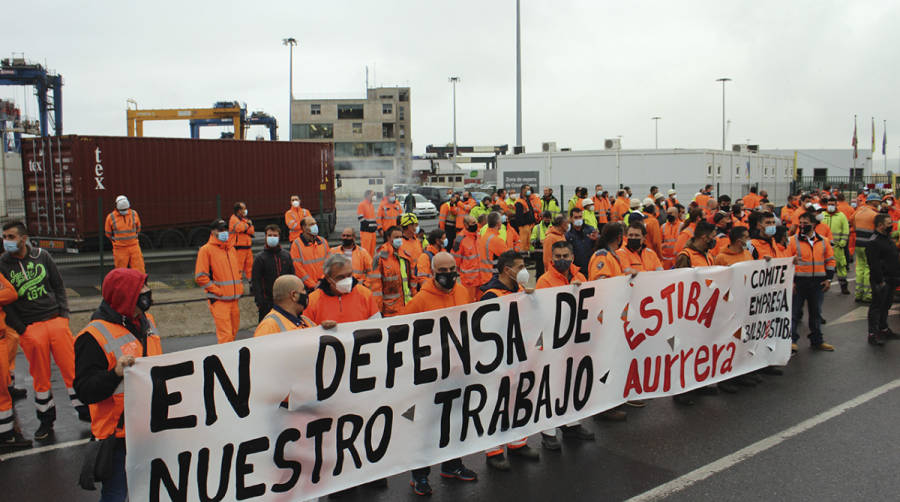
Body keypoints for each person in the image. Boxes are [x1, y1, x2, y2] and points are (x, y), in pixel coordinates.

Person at [73, 268, 159, 501]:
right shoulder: (92, 336)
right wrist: (114, 374)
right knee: (116, 495)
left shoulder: (146, 321)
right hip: (117, 435)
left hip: (147, 428)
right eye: (141, 288)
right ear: (126, 295)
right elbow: (85, 389)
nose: (147, 292)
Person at [1, 221, 88, 438]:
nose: (6, 241)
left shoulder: (42, 256)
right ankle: (46, 421)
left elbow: (58, 286)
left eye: (11, 236)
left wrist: (63, 316)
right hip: (30, 328)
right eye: (5, 236)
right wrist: (21, 329)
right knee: (40, 379)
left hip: (56, 322)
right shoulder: (2, 263)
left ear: (23, 238)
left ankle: (87, 411)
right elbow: (6, 304)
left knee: (72, 370)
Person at [403, 251, 478, 495]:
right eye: (442, 271)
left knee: (455, 421)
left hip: (457, 372)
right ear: (433, 273)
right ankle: (420, 475)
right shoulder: (419, 302)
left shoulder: (463, 291)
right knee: (427, 426)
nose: (448, 275)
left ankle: (452, 465)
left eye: (451, 270)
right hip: (431, 376)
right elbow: (402, 335)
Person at [479, 250, 541, 469]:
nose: (524, 271)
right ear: (507, 270)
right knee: (497, 402)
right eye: (520, 267)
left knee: (519, 399)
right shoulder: (491, 295)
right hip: (500, 358)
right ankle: (494, 450)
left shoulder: (522, 290)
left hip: (520, 355)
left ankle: (517, 443)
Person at [535, 241, 595, 449]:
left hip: (575, 340)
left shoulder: (580, 278)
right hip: (555, 340)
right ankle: (548, 431)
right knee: (552, 386)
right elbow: (543, 312)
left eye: (565, 255)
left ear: (572, 256)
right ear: (552, 258)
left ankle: (572, 425)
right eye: (558, 256)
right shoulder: (544, 281)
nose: (562, 260)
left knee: (574, 382)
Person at [786, 211, 836, 352]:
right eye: (800, 223)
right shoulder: (792, 241)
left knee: (816, 313)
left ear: (814, 224)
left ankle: (817, 340)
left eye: (805, 223)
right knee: (794, 313)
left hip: (817, 283)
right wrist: (791, 281)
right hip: (799, 283)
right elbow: (787, 262)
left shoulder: (823, 241)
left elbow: (830, 260)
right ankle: (791, 340)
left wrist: (828, 279)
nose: (802, 226)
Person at [195, 219, 243, 344]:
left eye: (225, 229)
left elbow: (237, 271)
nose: (224, 232)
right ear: (213, 231)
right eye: (220, 230)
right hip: (219, 301)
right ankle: (226, 360)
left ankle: (229, 358)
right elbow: (200, 276)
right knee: (226, 336)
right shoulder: (206, 250)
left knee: (233, 333)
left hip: (233, 299)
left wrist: (239, 287)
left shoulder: (231, 249)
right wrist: (218, 291)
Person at [305, 253, 380, 324]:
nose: (346, 280)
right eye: (340, 277)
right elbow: (305, 330)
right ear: (328, 278)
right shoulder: (312, 301)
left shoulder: (365, 294)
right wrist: (321, 328)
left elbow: (377, 325)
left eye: (349, 275)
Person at [0, 272, 30, 450]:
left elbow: (11, 293)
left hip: (4, 335)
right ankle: (6, 436)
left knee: (4, 383)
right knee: (2, 394)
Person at [254, 275, 334, 337]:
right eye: (303, 290)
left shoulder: (305, 321)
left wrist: (324, 330)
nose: (306, 294)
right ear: (294, 295)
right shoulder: (268, 326)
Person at [865, 213, 900, 346]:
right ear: (880, 226)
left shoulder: (887, 238)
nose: (891, 225)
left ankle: (883, 328)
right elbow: (873, 264)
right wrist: (880, 281)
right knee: (877, 306)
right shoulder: (874, 241)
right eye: (888, 223)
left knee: (886, 305)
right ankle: (872, 334)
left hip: (891, 278)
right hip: (881, 279)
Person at [369, 226, 415, 317]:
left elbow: (412, 282)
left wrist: (415, 300)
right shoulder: (380, 258)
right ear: (388, 238)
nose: (399, 240)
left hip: (408, 308)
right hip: (390, 311)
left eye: (400, 237)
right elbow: (376, 288)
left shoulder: (406, 256)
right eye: (396, 237)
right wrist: (378, 311)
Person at [251, 224, 293, 321]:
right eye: (270, 235)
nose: (272, 238)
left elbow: (292, 277)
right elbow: (255, 281)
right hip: (267, 303)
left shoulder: (286, 256)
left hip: (285, 301)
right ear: (265, 237)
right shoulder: (260, 258)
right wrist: (260, 302)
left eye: (275, 235)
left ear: (279, 237)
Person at [104, 195, 144, 273]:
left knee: (139, 268)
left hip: (133, 246)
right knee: (121, 271)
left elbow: (138, 228)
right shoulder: (111, 217)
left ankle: (140, 284)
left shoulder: (134, 214)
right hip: (120, 248)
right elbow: (108, 233)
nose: (124, 212)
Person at [852, 193, 880, 303]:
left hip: (858, 243)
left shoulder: (858, 211)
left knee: (859, 268)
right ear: (872, 201)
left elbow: (852, 223)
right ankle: (868, 294)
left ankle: (858, 293)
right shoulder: (874, 214)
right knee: (869, 269)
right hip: (869, 245)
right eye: (878, 201)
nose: (879, 203)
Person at [290, 216, 329, 290]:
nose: (315, 226)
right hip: (307, 288)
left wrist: (322, 281)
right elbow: (298, 268)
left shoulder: (323, 242)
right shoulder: (297, 245)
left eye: (315, 224)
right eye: (311, 224)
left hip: (324, 285)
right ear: (304, 228)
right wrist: (312, 285)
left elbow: (329, 263)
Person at [822, 198, 850, 294]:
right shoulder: (823, 215)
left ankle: (843, 286)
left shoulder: (841, 216)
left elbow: (846, 230)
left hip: (838, 247)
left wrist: (843, 242)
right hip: (825, 247)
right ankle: (823, 286)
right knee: (824, 266)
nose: (830, 206)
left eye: (832, 204)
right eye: (829, 204)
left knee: (840, 266)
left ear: (836, 205)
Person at [452, 215, 483, 300]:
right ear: (466, 225)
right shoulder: (460, 239)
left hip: (481, 278)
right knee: (469, 304)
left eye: (475, 222)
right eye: (473, 223)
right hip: (469, 281)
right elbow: (455, 261)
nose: (475, 224)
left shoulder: (479, 234)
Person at [478, 212, 511, 284]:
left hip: (485, 275)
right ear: (498, 223)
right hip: (493, 278)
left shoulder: (485, 236)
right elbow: (509, 257)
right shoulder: (495, 240)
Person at [566, 207, 598, 277]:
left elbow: (598, 247)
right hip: (576, 270)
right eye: (576, 217)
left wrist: (597, 239)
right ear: (571, 219)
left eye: (580, 217)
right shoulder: (568, 234)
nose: (578, 219)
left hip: (591, 267)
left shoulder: (590, 230)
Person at [228, 201, 254, 280]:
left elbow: (252, 231)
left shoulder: (244, 219)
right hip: (238, 249)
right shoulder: (233, 219)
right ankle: (238, 288)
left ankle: (252, 285)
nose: (245, 210)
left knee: (250, 269)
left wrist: (246, 227)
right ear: (239, 210)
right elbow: (240, 228)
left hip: (247, 248)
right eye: (244, 208)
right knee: (238, 269)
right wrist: (248, 225)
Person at [357, 190, 379, 257]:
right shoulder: (362, 204)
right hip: (366, 233)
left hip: (372, 233)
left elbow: (372, 219)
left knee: (372, 252)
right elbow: (361, 219)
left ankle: (370, 265)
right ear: (368, 196)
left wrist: (375, 227)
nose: (374, 196)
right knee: (366, 252)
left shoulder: (371, 205)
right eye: (373, 195)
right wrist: (371, 226)